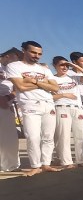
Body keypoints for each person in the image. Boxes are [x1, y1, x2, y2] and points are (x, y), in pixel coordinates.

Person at [6, 41, 60, 176]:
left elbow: (55, 87)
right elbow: (20, 87)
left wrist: (34, 81)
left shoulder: (44, 69)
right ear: (24, 50)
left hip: (48, 104)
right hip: (30, 104)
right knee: (33, 137)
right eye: (33, 52)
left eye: (39, 54)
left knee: (48, 137)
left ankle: (46, 164)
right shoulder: (14, 66)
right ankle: (35, 166)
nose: (37, 56)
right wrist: (44, 83)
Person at [51, 56, 83, 168]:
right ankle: (66, 161)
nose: (65, 67)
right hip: (61, 107)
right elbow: (49, 96)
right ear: (54, 65)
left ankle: (81, 159)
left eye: (66, 65)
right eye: (61, 65)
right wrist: (64, 95)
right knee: (64, 136)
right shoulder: (52, 79)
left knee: (80, 135)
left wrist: (74, 66)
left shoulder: (74, 77)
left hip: (77, 108)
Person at [0, 47, 22, 172]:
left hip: (7, 104)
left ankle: (10, 165)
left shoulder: (12, 70)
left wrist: (7, 98)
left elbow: (17, 88)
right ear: (8, 56)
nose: (17, 61)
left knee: (9, 137)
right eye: (16, 58)